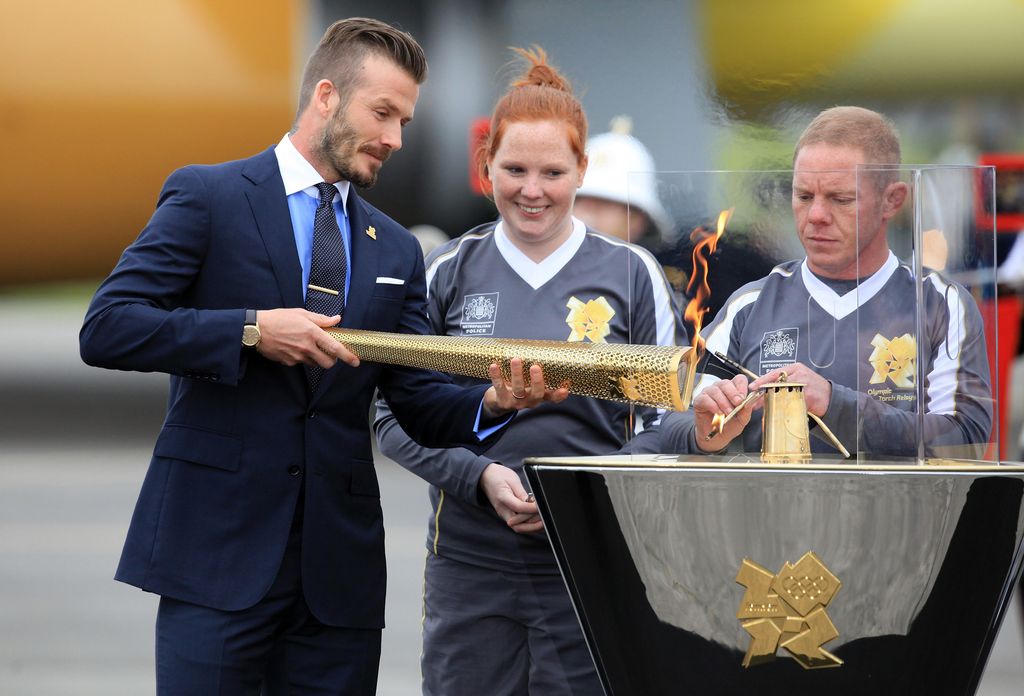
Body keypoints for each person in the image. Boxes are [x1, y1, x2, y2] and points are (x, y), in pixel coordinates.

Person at [78, 18, 565, 696]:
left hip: (337, 584)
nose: (396, 138)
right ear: (328, 97)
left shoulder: (395, 249)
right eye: (384, 113)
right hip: (217, 557)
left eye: (406, 120)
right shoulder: (209, 197)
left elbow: (416, 401)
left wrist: (492, 403)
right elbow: (108, 327)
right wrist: (249, 330)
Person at [374, 47, 686, 695]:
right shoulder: (445, 272)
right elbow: (390, 413)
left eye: (552, 171)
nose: (532, 190)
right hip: (468, 562)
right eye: (514, 169)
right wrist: (477, 474)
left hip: (592, 562)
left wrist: (578, 490)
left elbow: (669, 423)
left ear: (581, 170)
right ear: (486, 167)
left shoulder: (633, 275)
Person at [632, 106, 992, 459]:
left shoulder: (939, 304)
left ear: (892, 200)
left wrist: (835, 404)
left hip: (896, 517)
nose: (816, 215)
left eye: (840, 199)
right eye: (803, 196)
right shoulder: (751, 305)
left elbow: (967, 437)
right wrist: (705, 432)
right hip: (767, 517)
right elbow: (671, 423)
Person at [572, 116, 673, 251]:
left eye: (605, 201)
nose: (587, 210)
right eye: (578, 199)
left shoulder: (646, 271)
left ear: (637, 221)